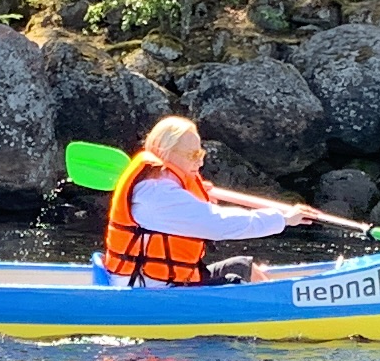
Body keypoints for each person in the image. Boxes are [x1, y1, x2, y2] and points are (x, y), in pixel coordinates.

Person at [100, 115, 291, 286]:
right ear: (165, 152)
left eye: (200, 154)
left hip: (174, 281)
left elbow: (191, 210)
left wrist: (197, 195)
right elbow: (218, 224)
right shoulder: (157, 194)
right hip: (152, 290)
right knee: (236, 283)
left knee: (245, 267)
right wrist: (282, 220)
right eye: (193, 155)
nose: (200, 162)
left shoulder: (166, 186)